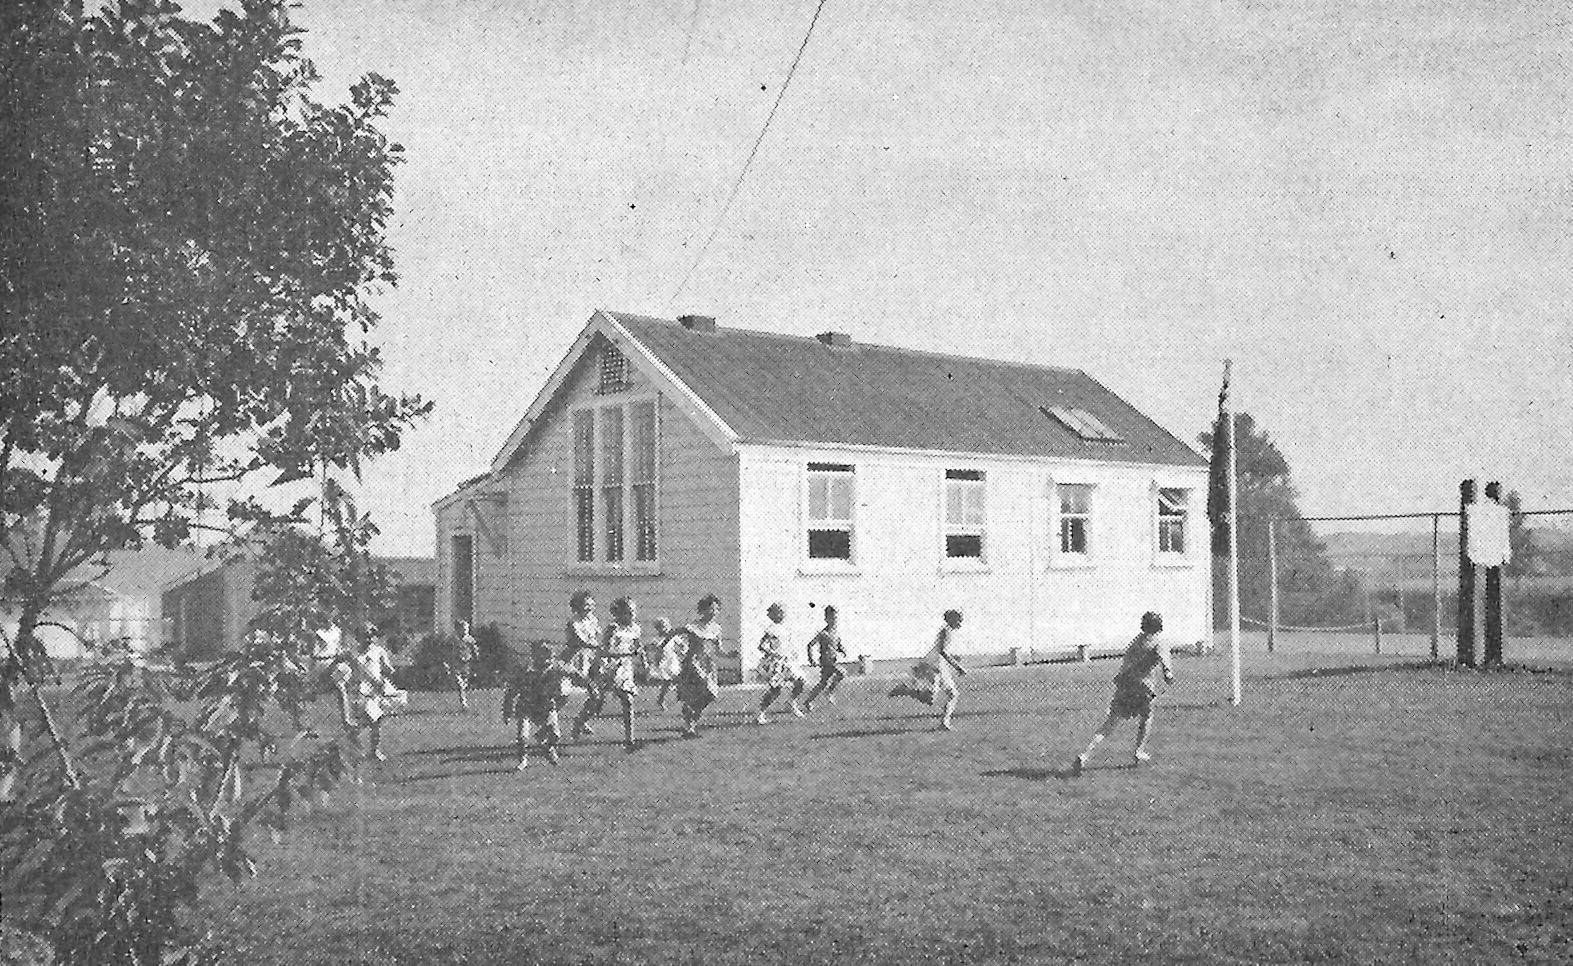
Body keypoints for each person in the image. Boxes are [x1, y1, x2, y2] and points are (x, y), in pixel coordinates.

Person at [1071, 611, 1175, 775]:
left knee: (1110, 724)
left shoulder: (1136, 641)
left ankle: (1085, 754)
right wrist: (1168, 673)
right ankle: (1138, 752)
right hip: (1143, 687)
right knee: (1147, 716)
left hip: (1124, 685)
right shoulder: (1159, 642)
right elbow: (1165, 660)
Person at [571, 596, 642, 751]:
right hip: (609, 666)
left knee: (628, 700)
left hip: (625, 668)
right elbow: (603, 649)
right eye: (628, 613)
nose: (632, 616)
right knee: (597, 701)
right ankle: (579, 723)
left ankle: (630, 740)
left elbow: (637, 646)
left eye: (633, 612)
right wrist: (601, 666)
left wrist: (642, 659)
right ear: (619, 614)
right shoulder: (612, 628)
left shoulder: (635, 628)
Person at [333, 624, 404, 763]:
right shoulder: (353, 653)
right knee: (367, 721)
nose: (369, 639)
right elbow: (340, 664)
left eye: (371, 636)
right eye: (365, 636)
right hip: (359, 692)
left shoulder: (379, 651)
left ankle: (373, 750)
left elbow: (388, 669)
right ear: (358, 638)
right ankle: (349, 746)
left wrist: (389, 672)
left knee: (375, 721)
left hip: (375, 691)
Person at [889, 609, 968, 730]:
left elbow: (942, 650)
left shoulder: (949, 632)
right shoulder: (946, 631)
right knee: (932, 699)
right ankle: (906, 690)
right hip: (933, 666)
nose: (960, 623)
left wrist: (954, 659)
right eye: (959, 620)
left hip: (940, 667)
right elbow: (942, 651)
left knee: (951, 695)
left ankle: (944, 723)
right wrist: (957, 667)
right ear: (951, 620)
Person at [507, 641, 566, 769]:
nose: (548, 660)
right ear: (535, 657)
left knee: (556, 735)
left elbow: (574, 673)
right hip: (526, 706)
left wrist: (590, 686)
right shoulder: (524, 670)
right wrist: (507, 710)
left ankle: (547, 747)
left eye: (550, 657)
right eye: (544, 657)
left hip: (546, 706)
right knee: (523, 736)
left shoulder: (556, 668)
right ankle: (522, 760)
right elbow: (511, 690)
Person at [675, 595, 723, 738]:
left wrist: (730, 654)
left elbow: (718, 649)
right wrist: (664, 646)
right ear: (703, 610)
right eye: (710, 608)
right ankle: (689, 726)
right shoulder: (693, 627)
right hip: (693, 664)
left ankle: (691, 724)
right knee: (695, 694)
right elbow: (674, 633)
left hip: (708, 665)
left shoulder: (716, 628)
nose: (713, 612)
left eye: (716, 609)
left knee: (710, 694)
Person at [559, 590, 603, 735]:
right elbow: (581, 641)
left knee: (597, 695)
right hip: (573, 660)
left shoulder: (594, 620)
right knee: (562, 696)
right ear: (577, 606)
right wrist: (600, 647)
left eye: (591, 604)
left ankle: (580, 721)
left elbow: (598, 637)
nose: (590, 608)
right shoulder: (573, 622)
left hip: (590, 659)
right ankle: (547, 722)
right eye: (586, 605)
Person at [754, 603, 805, 724]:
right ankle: (760, 714)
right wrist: (772, 653)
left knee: (801, 681)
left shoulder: (786, 628)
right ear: (773, 615)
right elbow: (761, 646)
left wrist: (793, 653)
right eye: (779, 612)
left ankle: (791, 703)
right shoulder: (771, 629)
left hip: (787, 661)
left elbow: (787, 644)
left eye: (783, 611)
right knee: (776, 690)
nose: (783, 614)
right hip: (776, 663)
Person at [800, 605, 846, 713]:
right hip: (826, 661)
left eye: (835, 618)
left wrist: (842, 651)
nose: (834, 620)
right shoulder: (823, 633)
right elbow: (810, 645)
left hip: (833, 660)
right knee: (841, 673)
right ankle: (829, 692)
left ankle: (808, 701)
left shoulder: (836, 632)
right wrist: (811, 659)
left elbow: (838, 645)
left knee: (822, 683)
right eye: (832, 618)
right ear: (826, 619)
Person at [645, 617, 682, 710]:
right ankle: (662, 699)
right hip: (663, 662)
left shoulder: (673, 637)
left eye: (666, 626)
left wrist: (682, 650)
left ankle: (666, 697)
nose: (664, 629)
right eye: (661, 627)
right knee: (668, 680)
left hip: (672, 660)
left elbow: (681, 644)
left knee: (675, 678)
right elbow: (651, 648)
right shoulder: (657, 639)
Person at [448, 620, 479, 711]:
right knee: (459, 683)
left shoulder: (470, 640)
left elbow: (475, 651)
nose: (465, 631)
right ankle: (464, 703)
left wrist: (476, 659)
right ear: (458, 630)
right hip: (456, 663)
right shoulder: (454, 640)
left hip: (466, 664)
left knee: (464, 684)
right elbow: (450, 651)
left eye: (466, 629)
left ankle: (463, 699)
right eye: (463, 629)